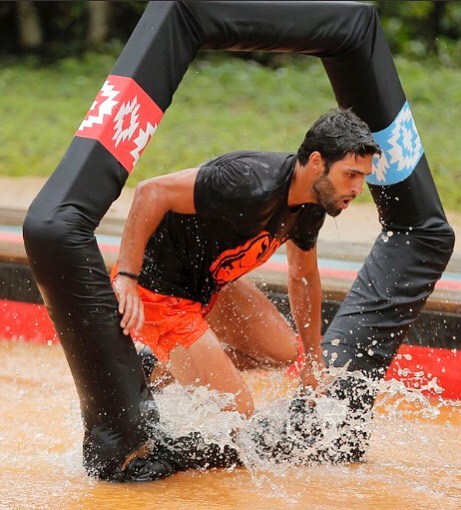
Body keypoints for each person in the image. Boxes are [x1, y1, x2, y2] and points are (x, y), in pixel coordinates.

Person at [111, 107, 381, 419]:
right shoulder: (250, 182)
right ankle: (152, 380)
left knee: (280, 351)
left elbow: (303, 275)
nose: (358, 189)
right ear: (317, 162)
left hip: (208, 285)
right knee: (237, 415)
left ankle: (154, 370)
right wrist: (127, 277)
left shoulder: (313, 204)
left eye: (363, 178)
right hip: (157, 290)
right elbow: (151, 191)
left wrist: (312, 358)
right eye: (351, 174)